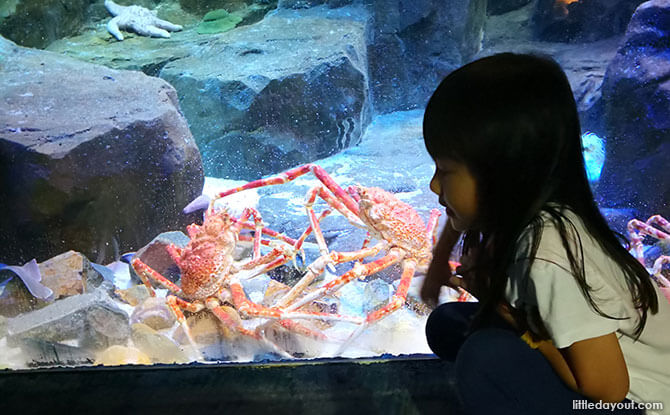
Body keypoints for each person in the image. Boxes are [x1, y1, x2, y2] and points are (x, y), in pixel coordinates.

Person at [420, 53, 670, 415]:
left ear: (502, 174)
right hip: (620, 378)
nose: (433, 185)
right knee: (448, 325)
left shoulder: (546, 256)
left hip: (643, 402)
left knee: (484, 359)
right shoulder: (535, 208)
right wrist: (440, 258)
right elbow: (464, 212)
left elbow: (606, 390)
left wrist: (512, 318)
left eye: (445, 171)